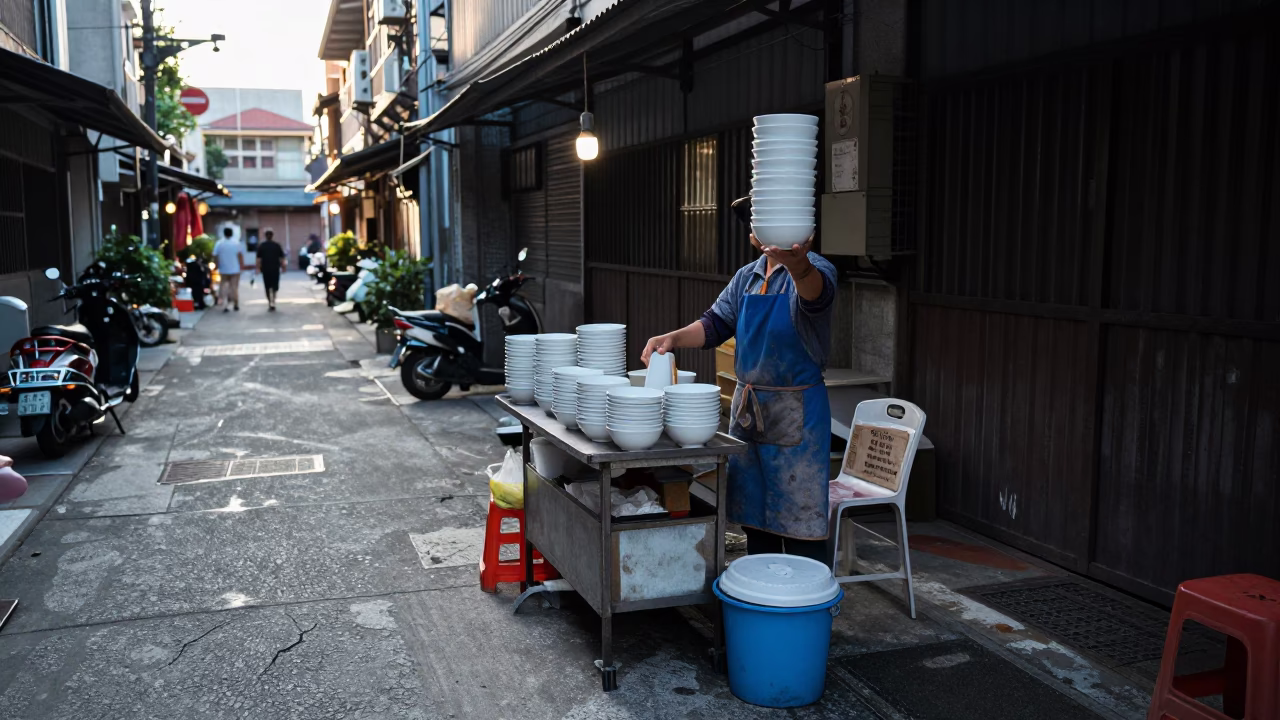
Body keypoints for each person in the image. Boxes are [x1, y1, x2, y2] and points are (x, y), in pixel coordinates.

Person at [642, 210, 837, 563]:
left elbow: (815, 296)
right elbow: (715, 324)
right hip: (750, 414)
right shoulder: (747, 276)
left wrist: (798, 265)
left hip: (798, 418)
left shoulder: (815, 270)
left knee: (800, 525)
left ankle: (803, 603)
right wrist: (673, 338)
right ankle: (760, 594)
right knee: (754, 519)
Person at [213, 226, 246, 312]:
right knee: (234, 287)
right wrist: (242, 266)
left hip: (223, 269)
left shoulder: (219, 243)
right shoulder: (236, 243)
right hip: (235, 269)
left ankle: (225, 305)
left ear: (224, 233)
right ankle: (235, 303)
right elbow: (240, 256)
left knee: (223, 286)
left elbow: (215, 256)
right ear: (232, 233)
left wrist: (216, 265)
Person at [255, 228, 287, 311]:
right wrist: (283, 267)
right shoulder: (277, 245)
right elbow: (282, 258)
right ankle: (273, 300)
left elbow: (258, 259)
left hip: (265, 270)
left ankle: (270, 302)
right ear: (272, 236)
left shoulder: (262, 246)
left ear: (265, 236)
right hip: (275, 269)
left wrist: (258, 268)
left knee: (267, 286)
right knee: (275, 286)